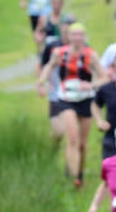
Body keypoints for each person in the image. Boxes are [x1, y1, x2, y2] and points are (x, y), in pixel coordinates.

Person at [37, 23, 103, 189]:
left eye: (80, 35)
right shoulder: (60, 53)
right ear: (69, 36)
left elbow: (105, 77)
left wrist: (92, 85)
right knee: (72, 137)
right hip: (66, 99)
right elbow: (48, 66)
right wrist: (41, 81)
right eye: (74, 34)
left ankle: (80, 175)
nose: (77, 38)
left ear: (84, 37)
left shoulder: (91, 55)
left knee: (82, 143)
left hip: (85, 99)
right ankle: (73, 177)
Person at [33, 0, 75, 141]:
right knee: (59, 132)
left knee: (71, 134)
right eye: (54, 2)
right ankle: (53, 146)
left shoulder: (80, 47)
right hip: (55, 86)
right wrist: (40, 83)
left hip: (74, 92)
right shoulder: (45, 19)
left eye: (59, 3)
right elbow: (37, 33)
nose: (57, 5)